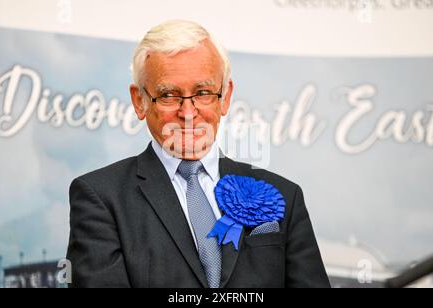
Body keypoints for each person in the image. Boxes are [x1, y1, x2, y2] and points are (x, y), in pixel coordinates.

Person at [66, 20, 330, 288]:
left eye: (203, 93)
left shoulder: (285, 195)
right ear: (139, 101)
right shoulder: (99, 198)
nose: (188, 114)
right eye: (168, 95)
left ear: (225, 97)